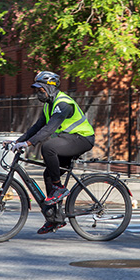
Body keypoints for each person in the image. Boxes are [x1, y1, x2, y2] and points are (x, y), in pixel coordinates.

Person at [10, 71, 95, 234]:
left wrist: (28, 144)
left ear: (50, 88)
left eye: (40, 89)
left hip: (82, 139)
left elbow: (49, 129)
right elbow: (36, 127)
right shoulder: (49, 105)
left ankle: (58, 188)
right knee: (47, 174)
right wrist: (17, 141)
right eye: (37, 90)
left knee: (48, 147)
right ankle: (54, 219)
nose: (38, 93)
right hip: (68, 139)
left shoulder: (63, 103)